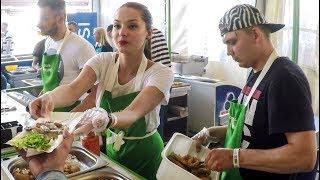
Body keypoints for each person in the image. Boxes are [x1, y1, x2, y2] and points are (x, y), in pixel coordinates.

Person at [29, 2, 174, 179]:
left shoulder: (161, 73)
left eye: (132, 26)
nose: (122, 32)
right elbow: (73, 89)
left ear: (149, 33)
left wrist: (109, 118)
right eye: (117, 26)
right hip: (113, 150)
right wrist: (47, 97)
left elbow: (133, 112)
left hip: (146, 155)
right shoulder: (103, 61)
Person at [192, 4, 317, 180]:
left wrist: (235, 157)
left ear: (255, 34)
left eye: (232, 42)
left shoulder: (285, 78)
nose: (228, 52)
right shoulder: (256, 73)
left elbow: (304, 156)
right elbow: (254, 129)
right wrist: (212, 132)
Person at [37, 0, 95, 111]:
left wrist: (71, 119)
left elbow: (95, 93)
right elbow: (49, 84)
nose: (38, 24)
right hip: (49, 109)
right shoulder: (48, 42)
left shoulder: (82, 46)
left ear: (60, 17)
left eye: (44, 18)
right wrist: (39, 100)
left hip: (72, 110)